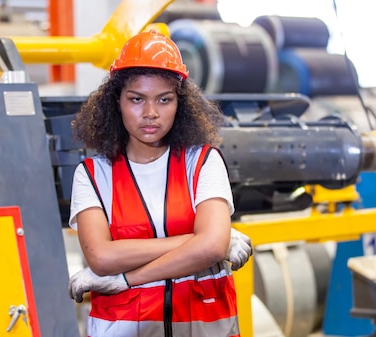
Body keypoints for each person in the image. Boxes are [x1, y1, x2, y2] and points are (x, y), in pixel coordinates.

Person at [67, 30, 252, 337]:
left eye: (164, 100)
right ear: (117, 102)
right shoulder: (92, 175)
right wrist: (203, 240)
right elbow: (101, 257)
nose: (150, 113)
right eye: (137, 99)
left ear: (180, 103)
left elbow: (212, 246)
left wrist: (125, 279)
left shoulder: (202, 162)